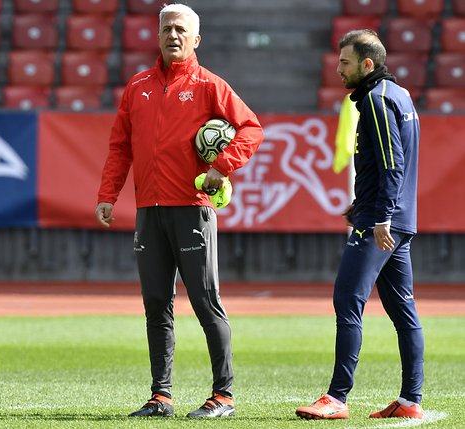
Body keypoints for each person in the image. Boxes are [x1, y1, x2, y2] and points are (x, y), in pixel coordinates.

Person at [96, 3, 263, 419]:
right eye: (167, 29)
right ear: (157, 35)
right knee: (156, 303)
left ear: (196, 39)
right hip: (148, 212)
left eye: (181, 30)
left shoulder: (209, 85)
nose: (173, 35)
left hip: (192, 209)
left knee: (206, 301)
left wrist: (220, 167)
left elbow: (252, 128)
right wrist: (107, 194)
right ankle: (161, 396)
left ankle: (223, 397)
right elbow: (120, 146)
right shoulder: (137, 87)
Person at [296, 29, 424, 420]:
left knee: (347, 299)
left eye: (345, 62)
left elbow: (391, 161)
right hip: (395, 217)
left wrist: (380, 214)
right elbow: (387, 161)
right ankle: (409, 401)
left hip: (381, 222)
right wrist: (365, 202)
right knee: (403, 310)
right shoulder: (400, 96)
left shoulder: (376, 99)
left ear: (368, 64)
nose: (338, 69)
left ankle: (337, 398)